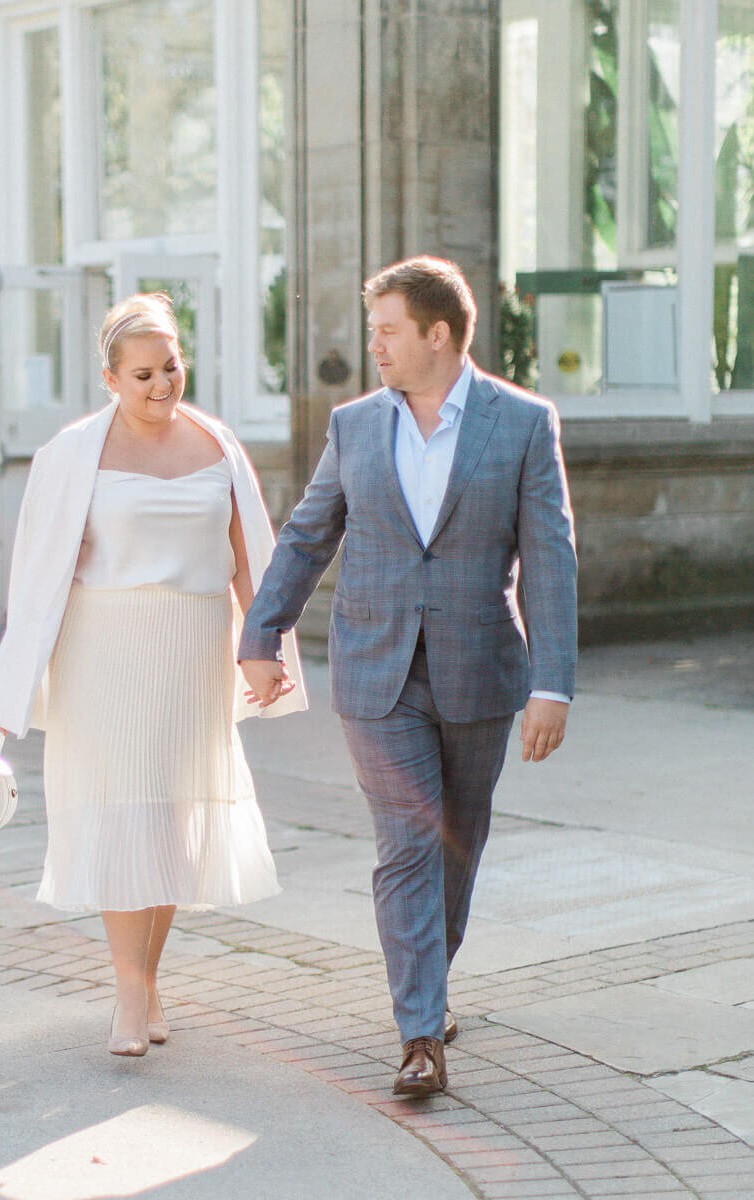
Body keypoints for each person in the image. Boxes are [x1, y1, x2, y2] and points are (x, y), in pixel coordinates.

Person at [239, 256, 578, 1098]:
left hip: (479, 671)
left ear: (437, 334)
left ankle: (431, 982)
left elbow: (550, 559)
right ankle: (419, 1032)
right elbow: (308, 534)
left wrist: (553, 682)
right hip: (375, 671)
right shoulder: (355, 426)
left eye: (386, 330)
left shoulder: (523, 424)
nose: (374, 345)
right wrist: (261, 632)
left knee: (456, 843)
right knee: (407, 845)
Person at [0, 293, 307, 1057]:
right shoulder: (70, 454)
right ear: (109, 378)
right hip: (103, 651)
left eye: (171, 367)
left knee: (166, 820)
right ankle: (130, 993)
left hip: (191, 649)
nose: (161, 385)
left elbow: (250, 554)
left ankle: (145, 978)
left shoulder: (217, 443)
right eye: (142, 374)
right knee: (119, 814)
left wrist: (262, 653)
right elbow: (34, 574)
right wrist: (10, 692)